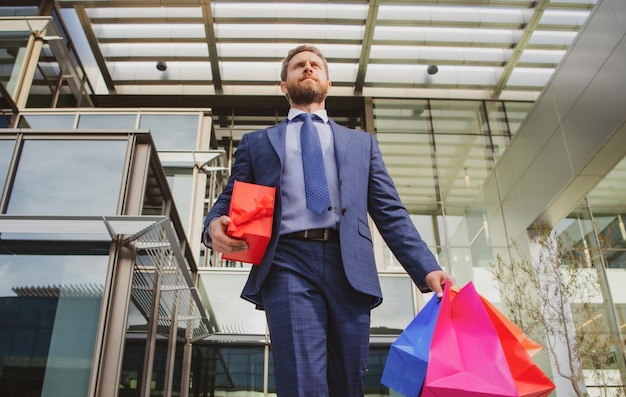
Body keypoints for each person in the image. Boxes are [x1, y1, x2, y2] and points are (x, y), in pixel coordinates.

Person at [202, 44, 453, 397]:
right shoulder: (257, 143)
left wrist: (427, 268)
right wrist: (213, 224)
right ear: (284, 86)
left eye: (315, 65)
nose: (307, 68)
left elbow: (390, 211)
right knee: (303, 382)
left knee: (346, 383)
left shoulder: (362, 144)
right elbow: (228, 199)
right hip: (287, 262)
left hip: (349, 265)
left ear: (328, 82)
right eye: (298, 66)